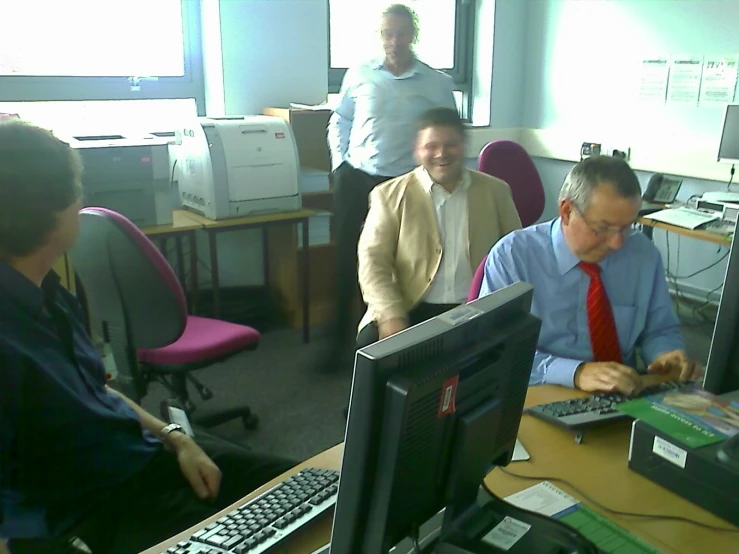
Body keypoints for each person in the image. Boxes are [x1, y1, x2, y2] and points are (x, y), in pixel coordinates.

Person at [0, 120, 295, 554]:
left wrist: (177, 439)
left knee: (312, 489)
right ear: (51, 208)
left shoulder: (50, 294)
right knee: (264, 538)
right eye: (76, 191)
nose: (83, 200)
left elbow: (99, 394)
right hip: (87, 512)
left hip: (141, 455)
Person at [480, 155, 699, 395]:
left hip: (623, 391)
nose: (617, 243)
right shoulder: (513, 256)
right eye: (602, 228)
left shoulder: (643, 255)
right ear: (567, 211)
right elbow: (495, 351)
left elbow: (660, 329)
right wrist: (576, 372)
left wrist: (665, 353)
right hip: (540, 389)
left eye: (626, 227)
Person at [323, 3, 457, 371]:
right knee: (347, 260)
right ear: (379, 35)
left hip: (405, 186)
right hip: (356, 178)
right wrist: (339, 165)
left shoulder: (436, 82)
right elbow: (341, 121)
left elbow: (447, 132)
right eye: (387, 33)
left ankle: (392, 346)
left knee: (399, 265)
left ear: (412, 35)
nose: (393, 41)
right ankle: (336, 348)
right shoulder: (360, 73)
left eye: (400, 33)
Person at [356, 106, 522, 347]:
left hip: (476, 308)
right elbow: (372, 261)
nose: (441, 153)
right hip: (411, 308)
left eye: (450, 144)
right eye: (430, 146)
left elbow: (515, 252)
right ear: (417, 151)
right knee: (370, 350)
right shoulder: (389, 196)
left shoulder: (496, 191)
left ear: (464, 146)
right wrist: (391, 313)